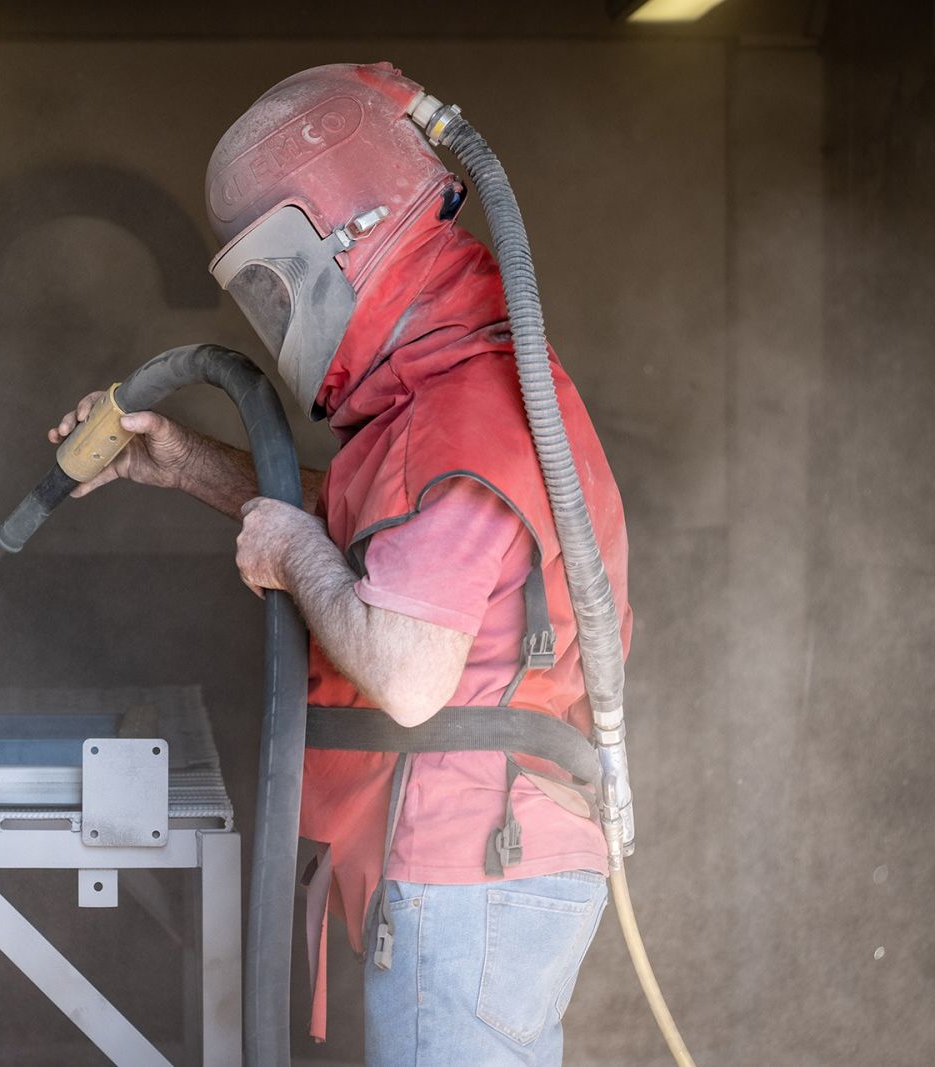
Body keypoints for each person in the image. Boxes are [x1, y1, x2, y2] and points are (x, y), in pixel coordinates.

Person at [50, 63, 630, 1066]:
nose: (276, 318)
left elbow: (405, 670)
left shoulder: (465, 413)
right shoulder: (444, 397)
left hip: (469, 865)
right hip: (481, 862)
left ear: (347, 243)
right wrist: (181, 462)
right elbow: (384, 544)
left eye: (277, 284)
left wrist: (291, 554)